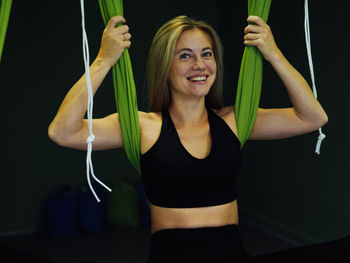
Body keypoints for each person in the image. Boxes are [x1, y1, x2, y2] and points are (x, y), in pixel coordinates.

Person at [48, 15, 328, 262]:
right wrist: (103, 61)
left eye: (207, 54)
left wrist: (274, 54)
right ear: (164, 67)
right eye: (185, 56)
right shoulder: (142, 126)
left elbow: (312, 118)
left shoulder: (235, 121)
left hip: (232, 253)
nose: (199, 65)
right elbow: (62, 132)